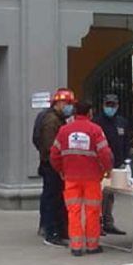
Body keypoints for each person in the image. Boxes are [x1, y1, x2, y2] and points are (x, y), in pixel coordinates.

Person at [51, 100, 113, 256]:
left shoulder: (64, 130)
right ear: (90, 113)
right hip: (92, 177)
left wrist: (60, 169)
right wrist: (107, 170)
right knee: (92, 211)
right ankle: (92, 246)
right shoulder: (95, 129)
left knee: (73, 212)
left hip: (71, 177)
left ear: (74, 112)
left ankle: (76, 246)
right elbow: (105, 153)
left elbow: (54, 154)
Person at [33, 89, 74, 247]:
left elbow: (37, 140)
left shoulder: (49, 117)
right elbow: (51, 146)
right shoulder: (52, 120)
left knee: (50, 197)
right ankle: (52, 233)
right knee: (54, 199)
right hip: (52, 164)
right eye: (68, 104)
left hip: (48, 163)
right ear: (59, 103)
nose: (70, 107)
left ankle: (51, 228)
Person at [96, 94, 132, 235]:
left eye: (113, 105)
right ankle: (97, 224)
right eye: (108, 105)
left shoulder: (121, 122)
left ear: (117, 106)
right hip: (101, 165)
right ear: (103, 105)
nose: (110, 108)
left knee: (111, 195)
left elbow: (127, 142)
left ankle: (108, 222)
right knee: (100, 195)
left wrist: (125, 160)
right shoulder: (97, 122)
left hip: (117, 164)